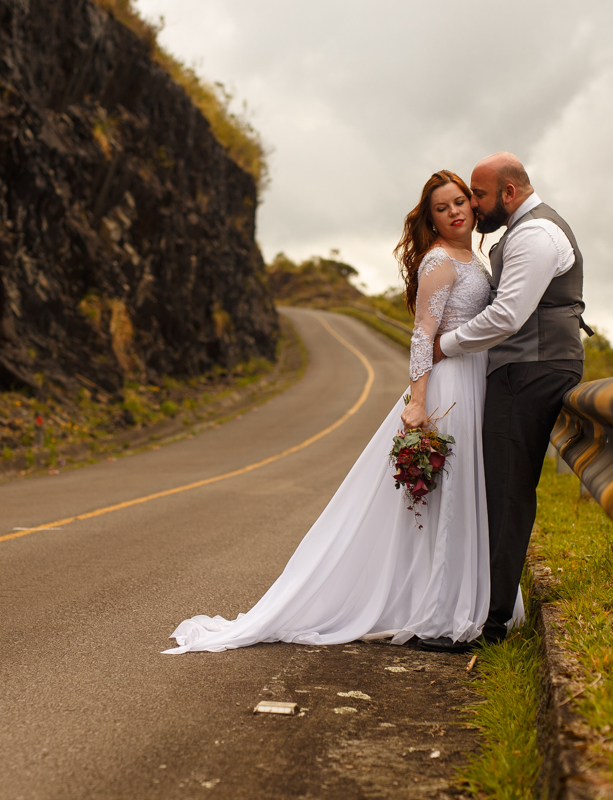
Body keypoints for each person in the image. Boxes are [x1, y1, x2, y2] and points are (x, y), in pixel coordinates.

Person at [164, 170, 524, 654]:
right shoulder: (439, 261)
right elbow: (422, 336)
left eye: (461, 201)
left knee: (468, 493)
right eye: (443, 208)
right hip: (449, 383)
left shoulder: (472, 257)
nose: (456, 211)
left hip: (475, 378)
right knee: (447, 495)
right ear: (431, 219)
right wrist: (417, 402)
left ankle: (466, 601)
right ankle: (442, 611)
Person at [417, 153, 586, 654]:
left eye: (479, 194)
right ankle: (487, 612)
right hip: (522, 367)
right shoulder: (522, 231)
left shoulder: (534, 235)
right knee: (498, 489)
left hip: (532, 368)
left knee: (506, 491)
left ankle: (488, 625)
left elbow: (509, 314)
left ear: (508, 194)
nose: (472, 204)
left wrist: (445, 346)